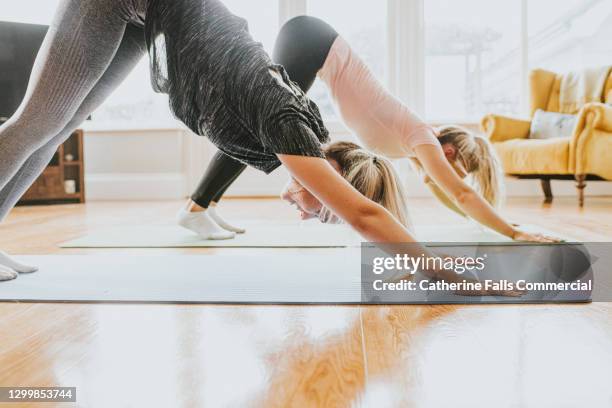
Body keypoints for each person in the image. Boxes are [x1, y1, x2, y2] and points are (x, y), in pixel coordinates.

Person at [0, 0, 468, 282]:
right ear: (334, 176)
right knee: (36, 121)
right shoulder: (290, 129)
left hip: (154, 16)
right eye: (320, 208)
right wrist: (451, 277)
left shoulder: (304, 128)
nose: (304, 213)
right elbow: (366, 215)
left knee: (62, 125)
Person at [182, 15, 557, 245]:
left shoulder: (417, 147)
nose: (454, 177)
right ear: (450, 153)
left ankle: (205, 206)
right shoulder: (423, 138)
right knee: (258, 126)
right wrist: (512, 231)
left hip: (315, 42)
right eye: (461, 170)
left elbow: (452, 198)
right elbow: (460, 194)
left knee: (255, 127)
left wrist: (485, 224)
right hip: (313, 41)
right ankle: (197, 206)